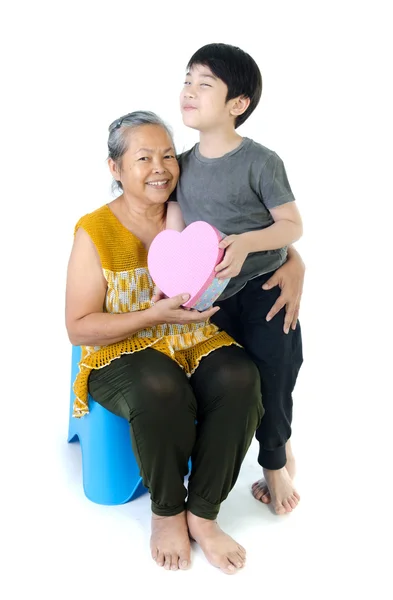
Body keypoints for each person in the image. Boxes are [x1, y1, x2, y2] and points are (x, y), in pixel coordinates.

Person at [65, 111, 266, 575]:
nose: (160, 167)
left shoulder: (192, 207)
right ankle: (167, 509)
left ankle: (204, 511)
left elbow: (260, 226)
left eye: (168, 155)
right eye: (143, 157)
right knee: (162, 390)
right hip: (120, 350)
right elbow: (77, 327)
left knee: (241, 379)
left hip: (191, 337)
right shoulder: (94, 230)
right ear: (115, 168)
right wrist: (151, 315)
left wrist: (294, 261)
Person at [166, 43, 305, 515]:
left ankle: (274, 461)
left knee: (277, 370)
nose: (189, 91)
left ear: (237, 104)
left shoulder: (260, 161)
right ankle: (243, 452)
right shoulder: (181, 166)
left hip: (264, 289)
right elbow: (173, 234)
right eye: (187, 80)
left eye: (204, 84)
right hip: (214, 299)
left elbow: (291, 226)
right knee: (223, 382)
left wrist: (248, 242)